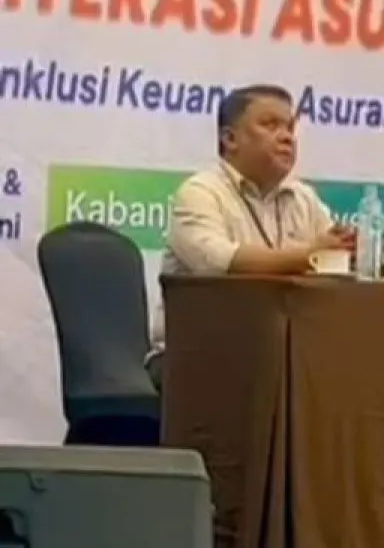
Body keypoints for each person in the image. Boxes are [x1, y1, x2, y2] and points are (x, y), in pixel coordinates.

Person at [147, 85, 353, 388]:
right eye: (270, 125)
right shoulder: (201, 193)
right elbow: (221, 263)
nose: (286, 137)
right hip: (194, 355)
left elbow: (336, 261)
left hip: (282, 354)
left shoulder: (304, 198)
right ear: (230, 139)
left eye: (290, 128)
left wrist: (343, 248)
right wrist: (312, 255)